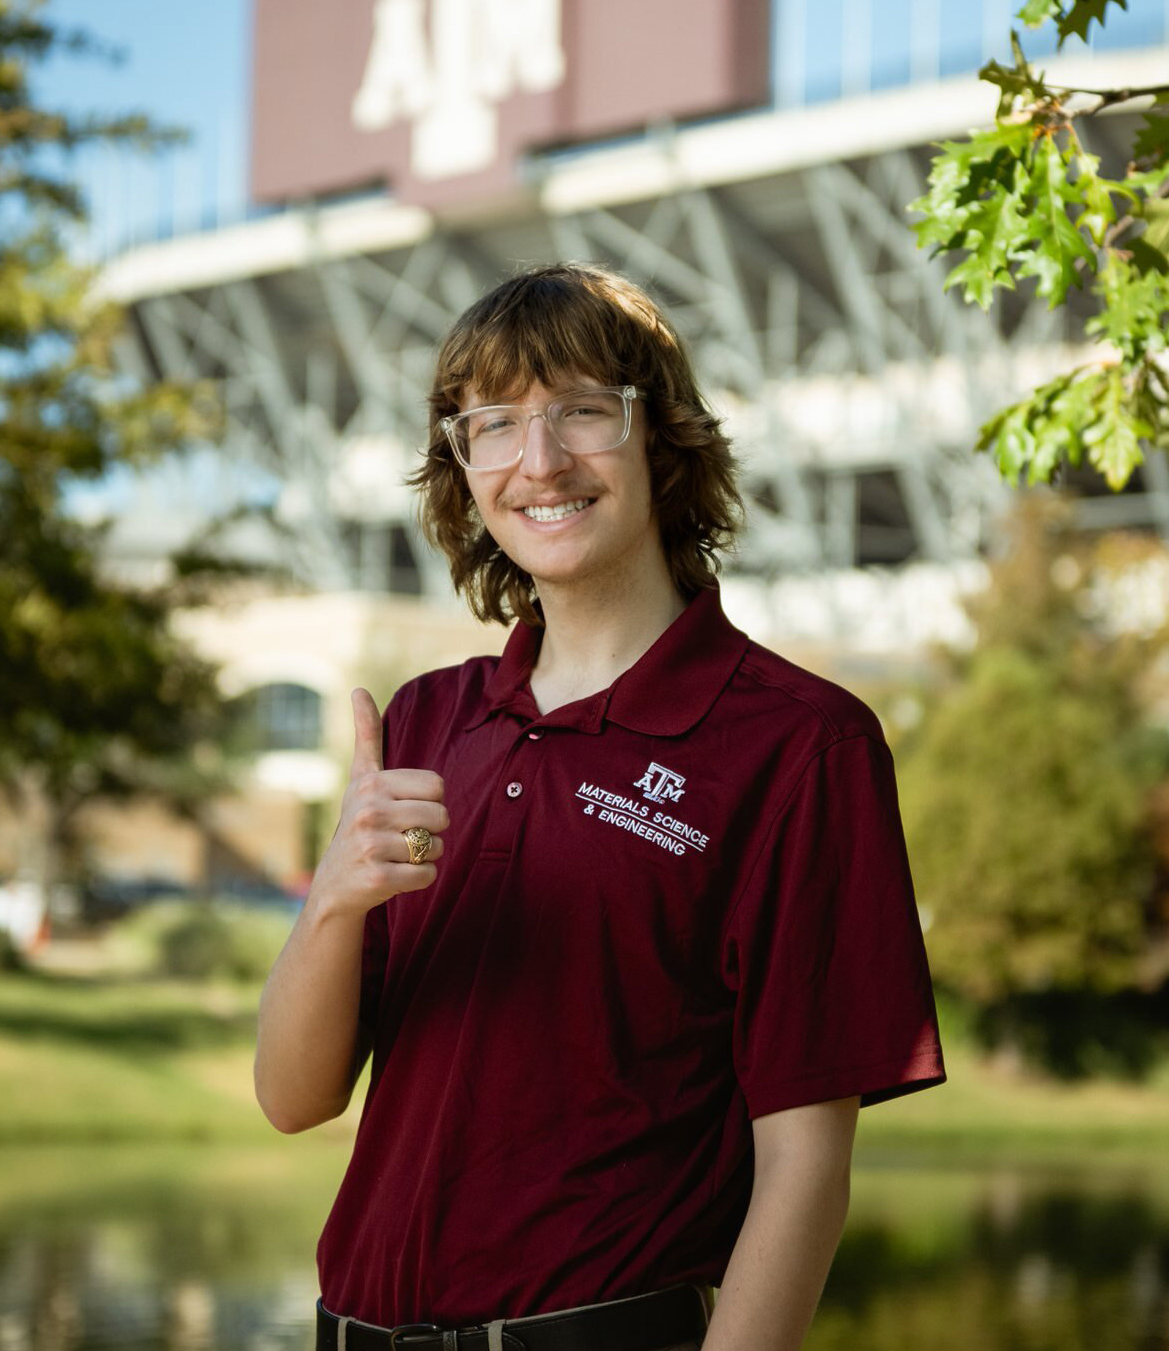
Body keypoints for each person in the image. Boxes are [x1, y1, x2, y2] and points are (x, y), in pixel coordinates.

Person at [255, 262, 944, 1351]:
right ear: (463, 465)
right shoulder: (427, 720)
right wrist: (332, 905)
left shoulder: (801, 745)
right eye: (495, 425)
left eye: (581, 411)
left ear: (659, 438)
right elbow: (293, 1099)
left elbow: (806, 1166)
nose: (540, 462)